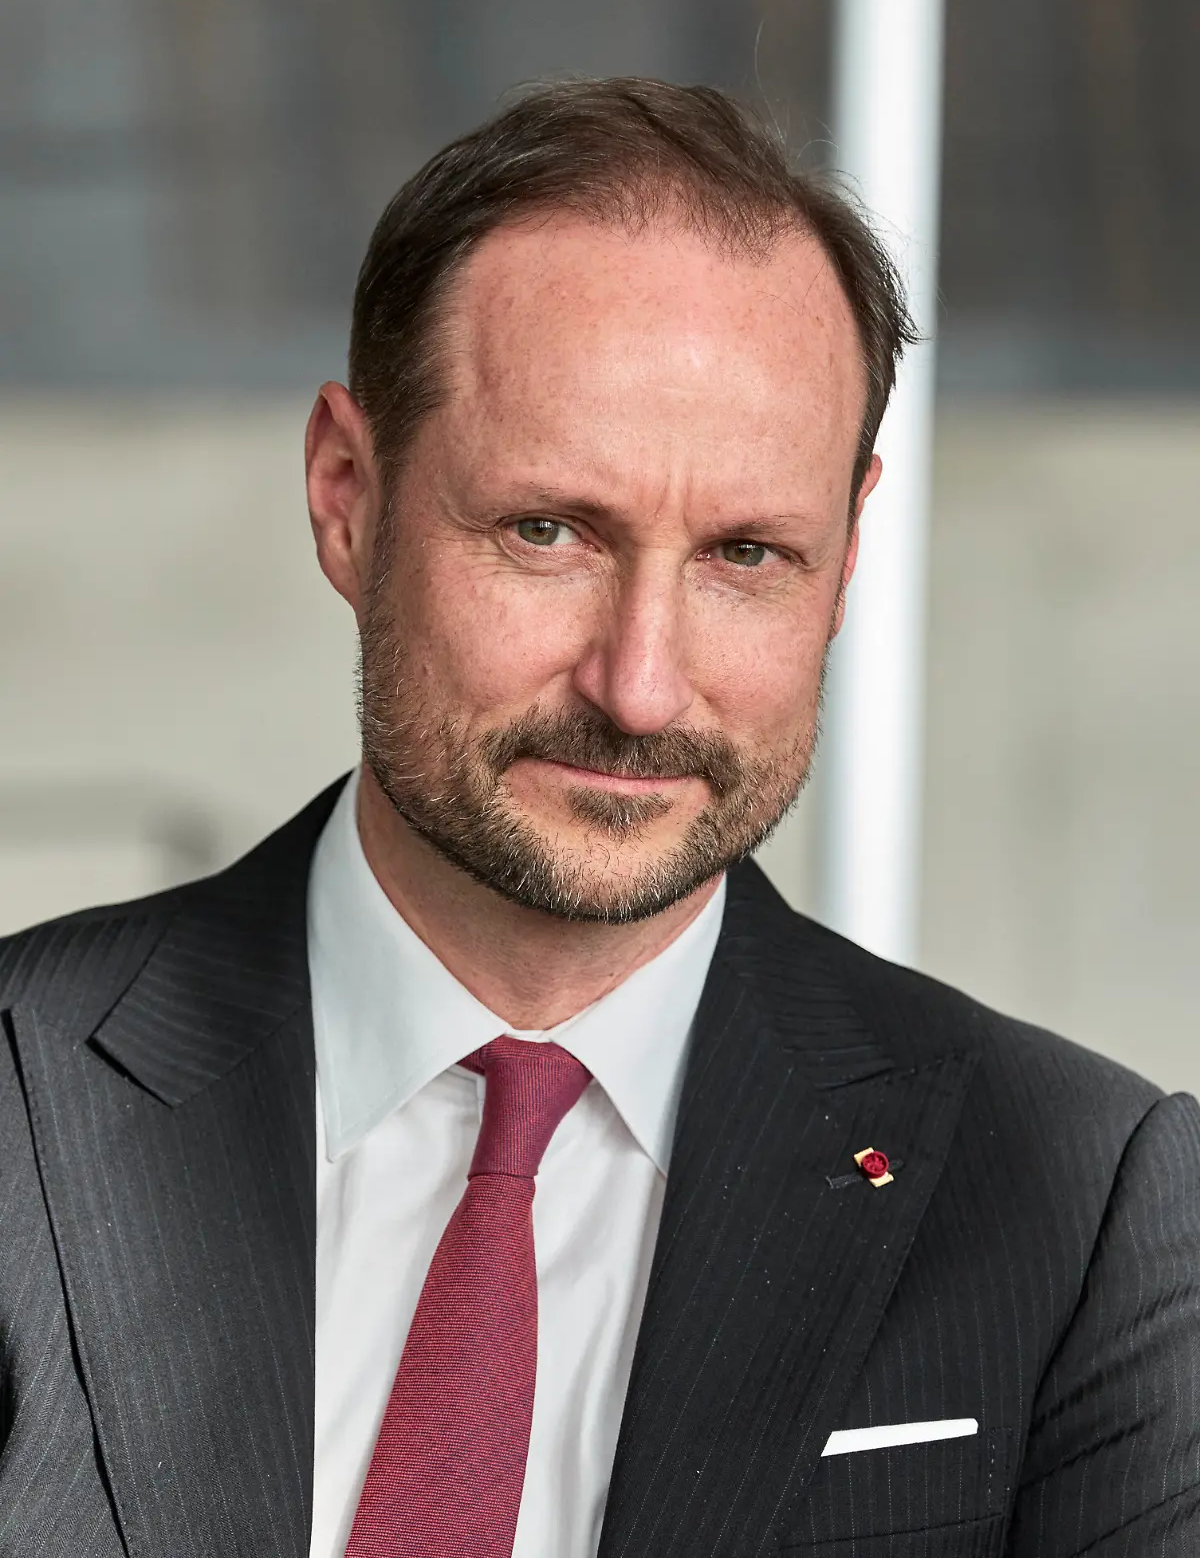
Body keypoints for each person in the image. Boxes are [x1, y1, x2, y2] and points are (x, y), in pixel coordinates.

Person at [1, 78, 1197, 1558]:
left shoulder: (1083, 1203)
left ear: (847, 554)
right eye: (547, 532)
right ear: (346, 495)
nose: (640, 687)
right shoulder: (18, 1101)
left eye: (748, 554)